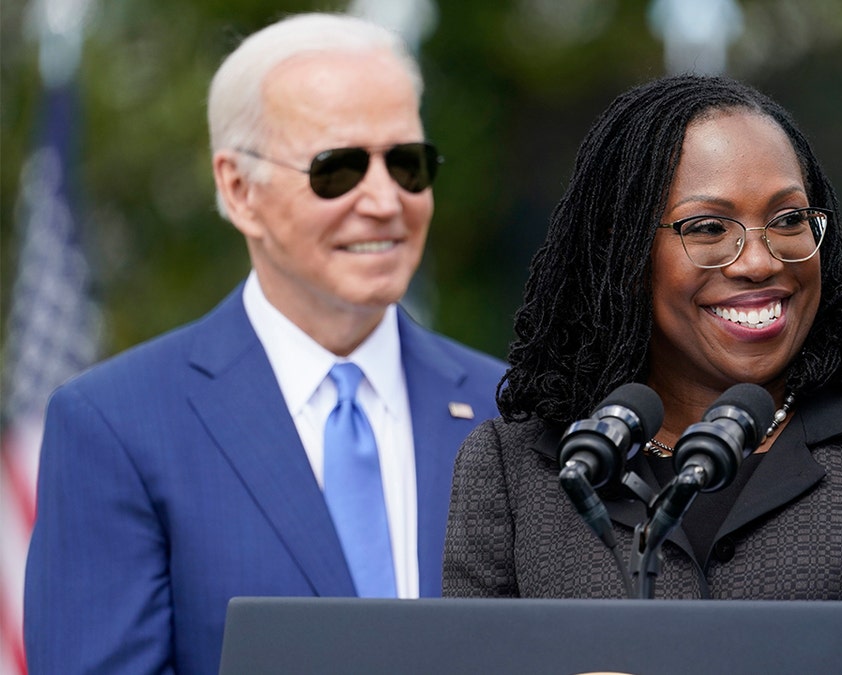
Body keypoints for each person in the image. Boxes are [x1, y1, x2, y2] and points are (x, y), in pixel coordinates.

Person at [442, 74, 842, 674]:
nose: (759, 260)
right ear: (624, 251)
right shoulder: (517, 468)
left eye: (787, 219)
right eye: (708, 227)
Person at [24, 13, 505, 675]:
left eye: (406, 163)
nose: (384, 199)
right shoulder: (116, 426)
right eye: (337, 168)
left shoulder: (511, 409)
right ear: (239, 188)